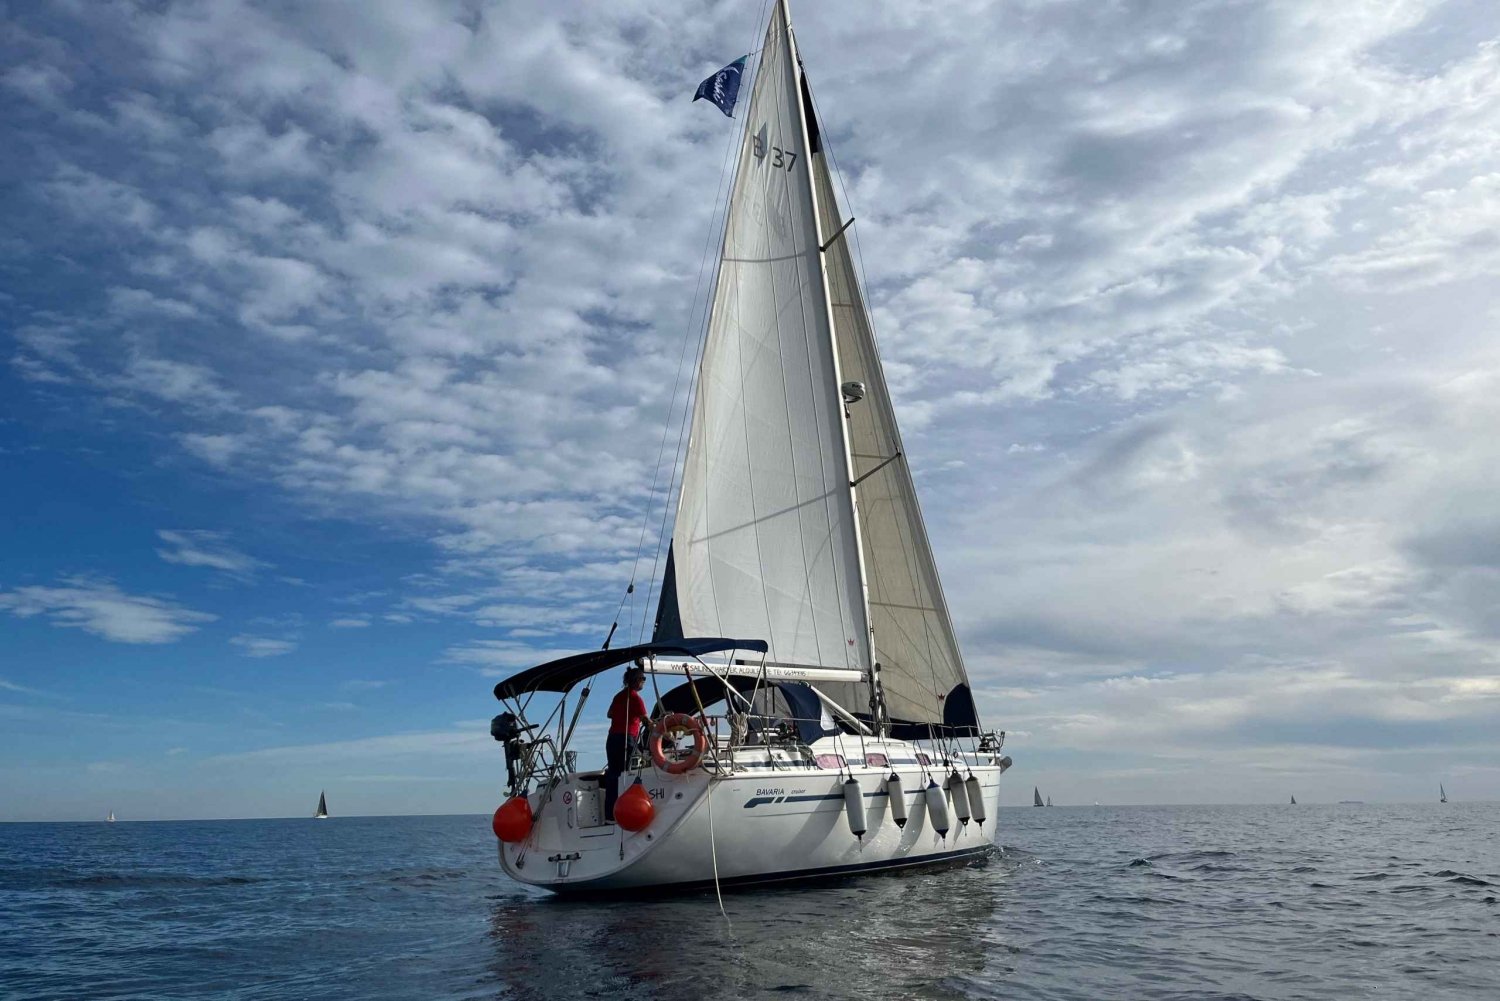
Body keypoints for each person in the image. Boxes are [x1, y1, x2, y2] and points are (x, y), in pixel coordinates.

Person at [603, 661, 648, 822]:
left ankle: (610, 815)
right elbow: (646, 720)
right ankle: (628, 810)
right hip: (627, 738)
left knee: (613, 775)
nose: (644, 682)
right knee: (631, 772)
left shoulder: (619, 696)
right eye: (643, 679)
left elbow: (609, 714)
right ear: (636, 680)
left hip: (612, 738)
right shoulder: (635, 698)